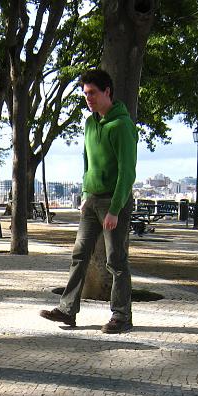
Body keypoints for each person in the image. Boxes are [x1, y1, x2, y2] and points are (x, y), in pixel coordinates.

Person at [39, 68, 138, 334]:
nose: (88, 98)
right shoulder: (90, 123)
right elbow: (86, 161)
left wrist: (115, 209)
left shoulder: (122, 125)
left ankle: (122, 316)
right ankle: (67, 310)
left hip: (113, 202)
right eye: (85, 94)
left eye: (92, 93)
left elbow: (127, 173)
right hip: (91, 200)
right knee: (79, 254)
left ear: (108, 91)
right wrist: (84, 193)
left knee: (116, 261)